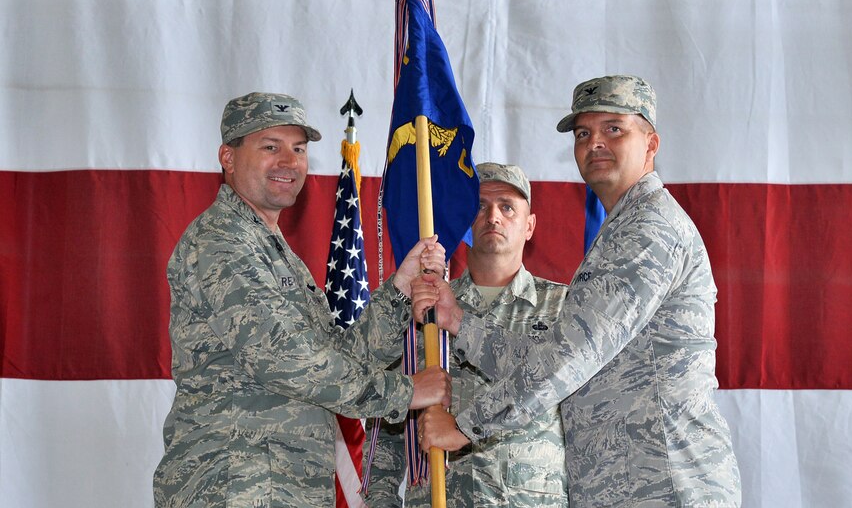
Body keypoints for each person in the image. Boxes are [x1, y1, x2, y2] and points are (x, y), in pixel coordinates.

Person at [412, 76, 742, 507]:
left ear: (651, 143)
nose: (595, 143)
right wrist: (459, 322)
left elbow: (569, 357)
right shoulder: (621, 229)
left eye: (614, 129)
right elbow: (555, 357)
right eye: (584, 133)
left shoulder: (648, 228)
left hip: (664, 482)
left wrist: (465, 426)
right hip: (629, 484)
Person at [153, 92, 451, 508]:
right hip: (233, 484)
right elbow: (288, 361)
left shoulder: (270, 247)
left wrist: (399, 290)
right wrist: (403, 393)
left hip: (281, 485)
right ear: (228, 156)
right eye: (270, 147)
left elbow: (334, 353)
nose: (289, 162)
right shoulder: (222, 242)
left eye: (299, 149)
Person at [365, 162, 570, 507]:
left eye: (507, 206)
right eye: (479, 206)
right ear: (463, 220)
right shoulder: (425, 305)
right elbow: (386, 421)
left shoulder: (565, 307)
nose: (493, 217)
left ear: (530, 225)